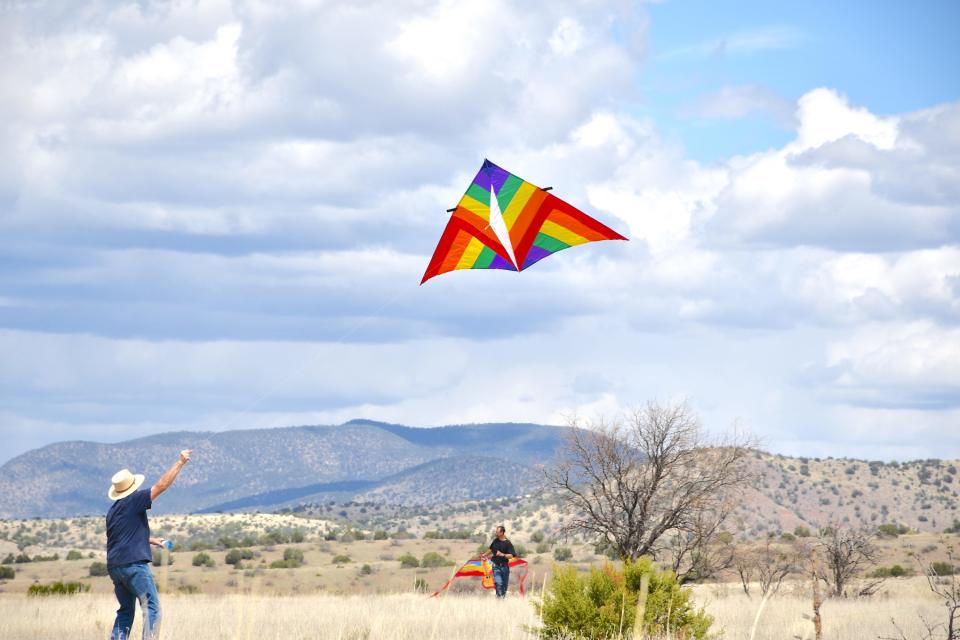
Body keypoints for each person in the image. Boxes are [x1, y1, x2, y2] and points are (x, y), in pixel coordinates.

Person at [105, 449, 192, 640]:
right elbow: (161, 486)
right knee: (152, 607)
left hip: (115, 567)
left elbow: (121, 537)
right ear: (133, 487)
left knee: (125, 611)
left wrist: (152, 540)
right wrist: (180, 463)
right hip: (134, 566)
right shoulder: (134, 500)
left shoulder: (113, 511)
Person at [487, 525, 516, 598]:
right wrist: (484, 554)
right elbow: (491, 549)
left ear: (502, 533)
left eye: (497, 532)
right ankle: (499, 597)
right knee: (498, 582)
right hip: (495, 566)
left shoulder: (508, 543)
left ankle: (501, 599)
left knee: (504, 585)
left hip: (504, 567)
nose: (495, 533)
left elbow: (511, 555)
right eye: (495, 532)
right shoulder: (495, 541)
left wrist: (502, 554)